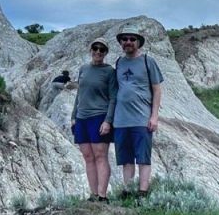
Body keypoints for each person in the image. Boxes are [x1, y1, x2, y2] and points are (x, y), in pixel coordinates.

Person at [112, 25, 163, 197]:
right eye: (125, 39)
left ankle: (142, 193)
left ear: (138, 42)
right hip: (120, 120)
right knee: (126, 159)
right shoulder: (119, 63)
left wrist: (154, 116)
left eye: (132, 39)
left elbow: (157, 89)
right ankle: (127, 191)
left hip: (141, 119)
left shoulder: (148, 61)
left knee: (143, 158)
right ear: (120, 42)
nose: (128, 42)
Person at [70, 39, 117, 202]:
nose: (98, 52)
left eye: (102, 50)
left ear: (105, 53)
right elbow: (79, 94)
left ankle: (103, 196)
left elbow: (113, 98)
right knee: (88, 157)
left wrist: (108, 121)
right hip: (81, 118)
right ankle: (93, 194)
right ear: (90, 50)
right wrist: (73, 117)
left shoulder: (109, 72)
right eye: (95, 48)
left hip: (99, 117)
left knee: (100, 156)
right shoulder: (83, 69)